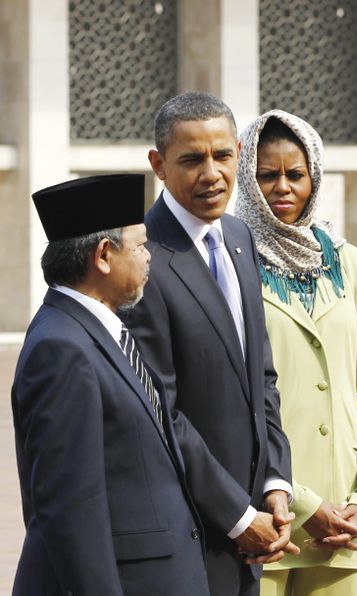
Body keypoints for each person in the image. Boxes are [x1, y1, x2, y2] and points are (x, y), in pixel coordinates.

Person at [120, 91, 299, 596]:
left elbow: (260, 374)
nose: (211, 173)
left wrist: (274, 484)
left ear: (239, 153)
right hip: (191, 530)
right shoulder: (143, 260)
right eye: (192, 159)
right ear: (158, 164)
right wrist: (238, 517)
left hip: (257, 522)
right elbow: (161, 410)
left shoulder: (240, 238)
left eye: (222, 156)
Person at [11, 174, 212, 596]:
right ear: (104, 255)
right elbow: (72, 511)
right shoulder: (62, 348)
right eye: (140, 246)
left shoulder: (99, 329)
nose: (149, 257)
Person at [234, 109, 357, 596]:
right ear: (247, 178)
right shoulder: (230, 260)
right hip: (268, 518)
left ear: (315, 175)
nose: (282, 187)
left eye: (295, 174)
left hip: (343, 526)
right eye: (267, 175)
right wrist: (303, 505)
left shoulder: (348, 262)